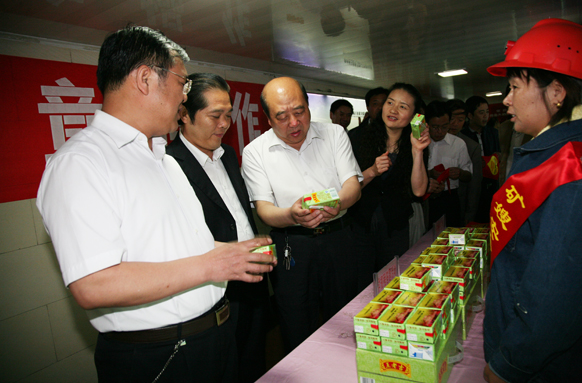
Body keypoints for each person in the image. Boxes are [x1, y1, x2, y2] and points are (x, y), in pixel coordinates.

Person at [36, 26, 276, 383]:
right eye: (182, 83)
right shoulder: (81, 163)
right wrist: (211, 264)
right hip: (161, 356)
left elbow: (181, 247)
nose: (184, 96)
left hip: (213, 338)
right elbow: (94, 285)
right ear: (145, 79)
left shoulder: (163, 159)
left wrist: (234, 253)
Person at [484, 18, 582, 383]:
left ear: (557, 93)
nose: (506, 99)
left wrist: (508, 365)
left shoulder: (578, 171)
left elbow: (558, 295)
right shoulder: (549, 153)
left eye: (515, 87)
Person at [241, 76, 362, 353]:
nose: (294, 123)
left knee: (344, 317)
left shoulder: (335, 134)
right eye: (282, 116)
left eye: (299, 112)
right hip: (291, 246)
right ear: (268, 119)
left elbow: (353, 186)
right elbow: (265, 209)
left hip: (338, 238)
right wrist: (292, 215)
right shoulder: (255, 152)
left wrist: (338, 203)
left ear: (308, 106)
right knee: (295, 323)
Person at [166, 73, 270, 383]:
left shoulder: (228, 155)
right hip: (213, 289)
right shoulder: (170, 165)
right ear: (184, 114)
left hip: (253, 280)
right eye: (215, 116)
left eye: (228, 114)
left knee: (255, 360)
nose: (224, 124)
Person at [349, 83, 430, 289]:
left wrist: (417, 151)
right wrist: (372, 171)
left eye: (403, 107)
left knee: (392, 283)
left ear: (414, 116)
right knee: (360, 283)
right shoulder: (358, 138)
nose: (393, 110)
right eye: (390, 103)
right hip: (360, 224)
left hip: (395, 226)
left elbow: (419, 191)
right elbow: (346, 188)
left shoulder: (416, 142)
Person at [425, 101, 472, 228]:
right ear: (427, 124)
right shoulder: (419, 142)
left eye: (445, 126)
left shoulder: (458, 144)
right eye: (435, 127)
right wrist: (429, 174)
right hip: (425, 199)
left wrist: (460, 173)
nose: (440, 131)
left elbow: (469, 175)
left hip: (449, 199)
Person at [462, 95, 501, 222]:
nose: (485, 116)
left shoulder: (493, 133)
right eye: (481, 113)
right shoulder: (463, 136)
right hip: (472, 185)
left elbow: (498, 154)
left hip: (491, 185)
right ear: (470, 115)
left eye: (487, 112)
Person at [446, 99, 483, 224]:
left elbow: (475, 185)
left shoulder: (471, 146)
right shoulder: (432, 140)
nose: (455, 124)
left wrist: (470, 213)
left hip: (459, 204)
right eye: (452, 119)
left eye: (460, 120)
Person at [349, 86, 389, 155]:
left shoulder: (397, 132)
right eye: (375, 104)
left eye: (384, 103)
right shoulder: (354, 135)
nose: (380, 107)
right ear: (367, 107)